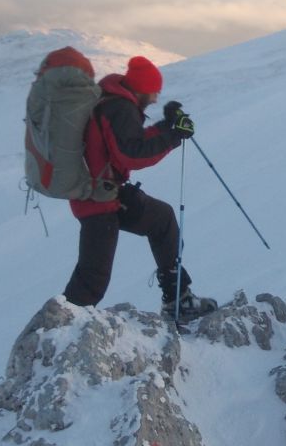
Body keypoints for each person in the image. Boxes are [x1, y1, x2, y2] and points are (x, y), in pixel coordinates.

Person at [63, 55, 217, 321]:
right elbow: (132, 154)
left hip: (107, 194)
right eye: (154, 93)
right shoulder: (119, 107)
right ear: (143, 89)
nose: (156, 98)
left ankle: (177, 299)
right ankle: (59, 329)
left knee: (162, 219)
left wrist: (165, 127)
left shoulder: (115, 101)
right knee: (93, 277)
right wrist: (173, 136)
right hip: (96, 200)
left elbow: (129, 141)